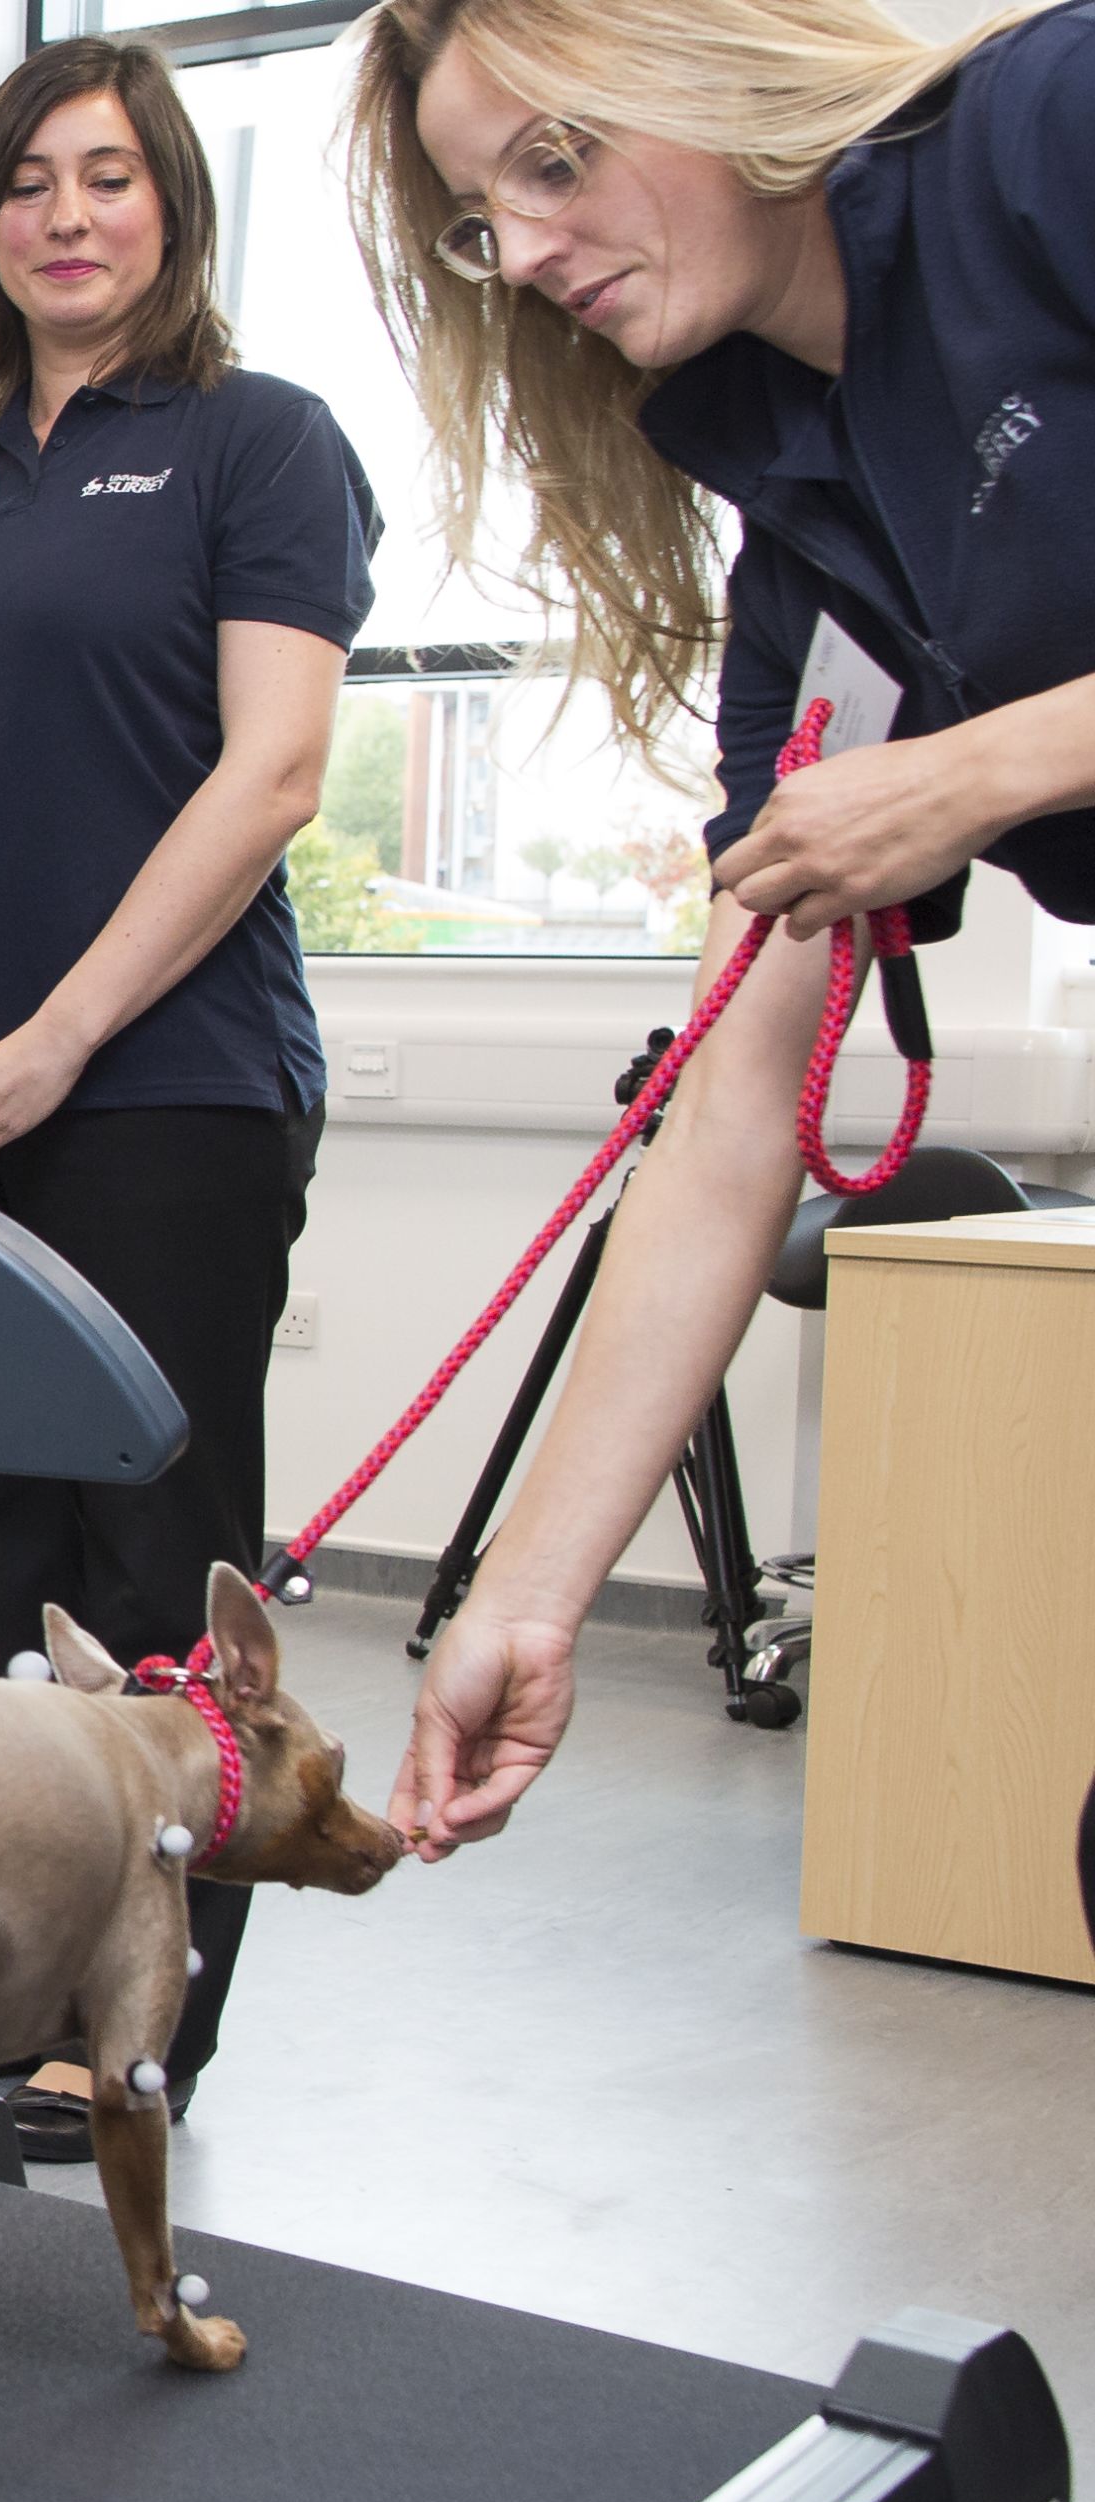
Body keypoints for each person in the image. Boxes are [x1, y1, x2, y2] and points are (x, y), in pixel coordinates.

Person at [344, 0, 1095, 1857]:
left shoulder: (1044, 136)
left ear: (705, 63)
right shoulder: (814, 548)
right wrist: (529, 1592)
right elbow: (733, 1111)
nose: (520, 251)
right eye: (475, 213)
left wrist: (988, 764)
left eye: (554, 157)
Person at [0, 40, 380, 2154]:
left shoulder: (256, 444)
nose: (64, 215)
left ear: (172, 211)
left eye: (108, 178)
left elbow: (271, 774)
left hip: (167, 1095)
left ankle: (136, 2033)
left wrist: (55, 1036)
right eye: (26, 183)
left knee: (147, 1581)